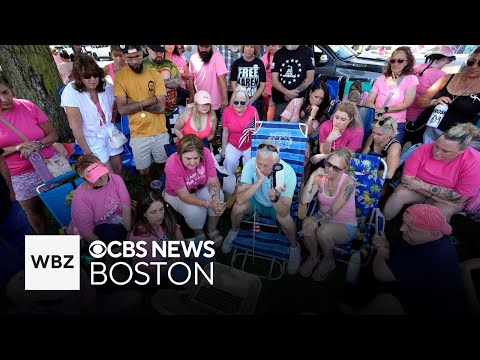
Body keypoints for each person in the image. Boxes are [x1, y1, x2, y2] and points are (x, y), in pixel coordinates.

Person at [365, 204, 462, 315]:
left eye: (410, 228)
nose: (402, 229)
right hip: (410, 286)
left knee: (386, 303)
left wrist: (382, 250)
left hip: (429, 308)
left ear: (434, 233)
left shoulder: (433, 256)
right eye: (404, 223)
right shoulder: (422, 237)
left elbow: (381, 273)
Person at [221, 140, 301, 275]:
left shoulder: (287, 173)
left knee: (286, 219)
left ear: (277, 162)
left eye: (267, 166)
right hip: (255, 202)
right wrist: (259, 181)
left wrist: (273, 197)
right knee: (237, 208)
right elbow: (240, 199)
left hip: (275, 206)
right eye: (259, 164)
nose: (262, 169)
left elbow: (284, 211)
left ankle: (294, 247)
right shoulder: (250, 164)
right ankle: (234, 231)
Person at [383, 123, 480, 223]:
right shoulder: (424, 148)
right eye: (436, 146)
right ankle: (380, 225)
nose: (437, 152)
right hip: (438, 196)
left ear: (462, 151)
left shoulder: (474, 162)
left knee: (440, 213)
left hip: (442, 198)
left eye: (445, 151)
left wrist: (422, 185)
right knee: (399, 194)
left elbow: (461, 197)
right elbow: (406, 180)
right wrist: (437, 196)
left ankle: (422, 237)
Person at [0, 77, 60, 234]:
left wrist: (38, 144)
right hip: (19, 175)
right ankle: (46, 241)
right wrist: (16, 148)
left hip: (49, 164)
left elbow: (53, 134)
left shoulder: (27, 105)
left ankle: (78, 234)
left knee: (64, 201)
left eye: (6, 92)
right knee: (34, 210)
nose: (5, 99)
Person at [114, 45, 169, 188]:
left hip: (159, 130)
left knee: (163, 166)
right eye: (129, 58)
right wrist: (148, 101)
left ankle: (164, 191)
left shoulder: (155, 74)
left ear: (142, 52)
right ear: (124, 57)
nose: (134, 62)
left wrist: (133, 103)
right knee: (144, 171)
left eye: (137, 57)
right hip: (138, 133)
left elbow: (161, 107)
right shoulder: (120, 77)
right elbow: (122, 109)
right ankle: (149, 196)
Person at [299, 148, 357, 281]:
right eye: (328, 164)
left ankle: (328, 260)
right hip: (322, 215)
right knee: (306, 222)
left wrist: (315, 223)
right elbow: (304, 200)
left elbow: (332, 212)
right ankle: (314, 257)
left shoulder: (349, 183)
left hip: (344, 224)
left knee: (322, 231)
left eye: (336, 168)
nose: (329, 169)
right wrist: (313, 176)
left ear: (344, 169)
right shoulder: (321, 177)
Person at [61, 55, 123, 175]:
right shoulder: (71, 92)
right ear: (79, 78)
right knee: (107, 174)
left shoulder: (105, 86)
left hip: (109, 132)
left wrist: (111, 121)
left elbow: (115, 103)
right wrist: (88, 153)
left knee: (119, 169)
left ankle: (121, 192)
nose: (93, 80)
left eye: (95, 75)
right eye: (87, 77)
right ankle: (112, 193)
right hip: (91, 138)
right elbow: (76, 128)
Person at [163, 134, 226, 244]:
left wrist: (215, 198)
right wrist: (207, 204)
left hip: (199, 187)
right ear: (180, 154)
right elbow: (184, 196)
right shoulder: (172, 164)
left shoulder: (206, 153)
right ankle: (199, 232)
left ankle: (211, 229)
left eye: (196, 158)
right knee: (195, 212)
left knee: (219, 197)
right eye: (188, 158)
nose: (192, 162)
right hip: (176, 195)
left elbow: (212, 180)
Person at [416, 46, 480, 145]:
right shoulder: (447, 78)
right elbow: (421, 100)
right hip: (424, 132)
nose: (474, 66)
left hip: (453, 143)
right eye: (471, 62)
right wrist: (433, 102)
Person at [67, 154, 131, 248]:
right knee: (115, 236)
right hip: (97, 227)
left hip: (115, 217)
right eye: (96, 176)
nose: (102, 178)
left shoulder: (115, 179)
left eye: (102, 172)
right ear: (85, 179)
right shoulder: (81, 198)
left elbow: (126, 207)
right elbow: (88, 233)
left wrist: (129, 233)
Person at [365, 46, 419, 144]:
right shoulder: (381, 79)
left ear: (407, 62)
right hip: (377, 122)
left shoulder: (411, 79)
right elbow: (369, 100)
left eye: (400, 61)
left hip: (395, 124)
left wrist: (385, 109)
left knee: (391, 152)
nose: (395, 63)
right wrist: (376, 112)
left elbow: (407, 103)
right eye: (393, 61)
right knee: (370, 152)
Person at [281, 79, 331, 180]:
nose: (318, 101)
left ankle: (298, 184)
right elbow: (283, 124)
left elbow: (306, 132)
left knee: (303, 152)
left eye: (321, 99)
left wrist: (312, 115)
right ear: (310, 93)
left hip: (303, 142)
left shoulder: (320, 113)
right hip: (287, 137)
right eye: (316, 96)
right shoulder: (296, 102)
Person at [0, 147, 31, 287]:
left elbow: (0, 161)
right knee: (8, 270)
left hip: (7, 205)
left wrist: (10, 191)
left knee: (30, 251)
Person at [406, 45, 456, 122]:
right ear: (445, 58)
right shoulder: (442, 76)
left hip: (403, 111)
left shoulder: (416, 67)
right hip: (418, 117)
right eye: (449, 60)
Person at [221, 86, 259, 175]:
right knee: (229, 161)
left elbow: (256, 131)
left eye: (242, 102)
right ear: (232, 101)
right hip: (233, 143)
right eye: (236, 102)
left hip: (249, 143)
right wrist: (223, 149)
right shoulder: (227, 111)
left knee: (250, 165)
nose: (238, 105)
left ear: (247, 102)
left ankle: (246, 183)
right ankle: (229, 181)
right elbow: (225, 132)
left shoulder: (253, 110)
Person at [310, 101, 364, 165]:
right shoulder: (325, 126)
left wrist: (323, 156)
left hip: (347, 163)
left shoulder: (357, 132)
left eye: (343, 119)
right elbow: (324, 152)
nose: (338, 122)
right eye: (336, 117)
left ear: (350, 119)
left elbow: (346, 157)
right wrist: (329, 140)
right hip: (329, 162)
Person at [271, 45, 315, 119]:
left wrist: (294, 93)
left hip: (301, 100)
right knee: (280, 128)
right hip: (281, 101)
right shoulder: (278, 54)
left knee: (299, 126)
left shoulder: (307, 52)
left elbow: (310, 78)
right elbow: (274, 80)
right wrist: (286, 92)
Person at [143, 45, 183, 118]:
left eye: (161, 52)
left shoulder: (169, 64)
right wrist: (168, 84)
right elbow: (142, 86)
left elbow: (178, 81)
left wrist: (154, 84)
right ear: (148, 49)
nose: (159, 54)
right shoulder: (142, 65)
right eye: (156, 52)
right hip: (151, 111)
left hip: (171, 109)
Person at [230, 45, 267, 120]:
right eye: (247, 46)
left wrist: (252, 100)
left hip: (256, 100)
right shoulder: (237, 63)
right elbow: (233, 83)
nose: (249, 49)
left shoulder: (259, 63)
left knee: (255, 124)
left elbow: (262, 85)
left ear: (255, 49)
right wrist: (240, 98)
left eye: (252, 47)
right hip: (240, 101)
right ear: (243, 47)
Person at [361, 115, 401, 180]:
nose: (374, 137)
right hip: (366, 172)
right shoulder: (372, 137)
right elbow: (361, 157)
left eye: (379, 134)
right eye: (373, 132)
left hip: (382, 178)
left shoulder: (394, 146)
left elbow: (389, 174)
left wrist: (368, 173)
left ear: (390, 133)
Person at [261, 45, 279, 120]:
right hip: (265, 91)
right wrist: (262, 90)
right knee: (265, 114)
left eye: (273, 45)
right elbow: (260, 76)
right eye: (268, 45)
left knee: (273, 115)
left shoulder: (281, 55)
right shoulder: (263, 58)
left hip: (277, 91)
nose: (271, 47)